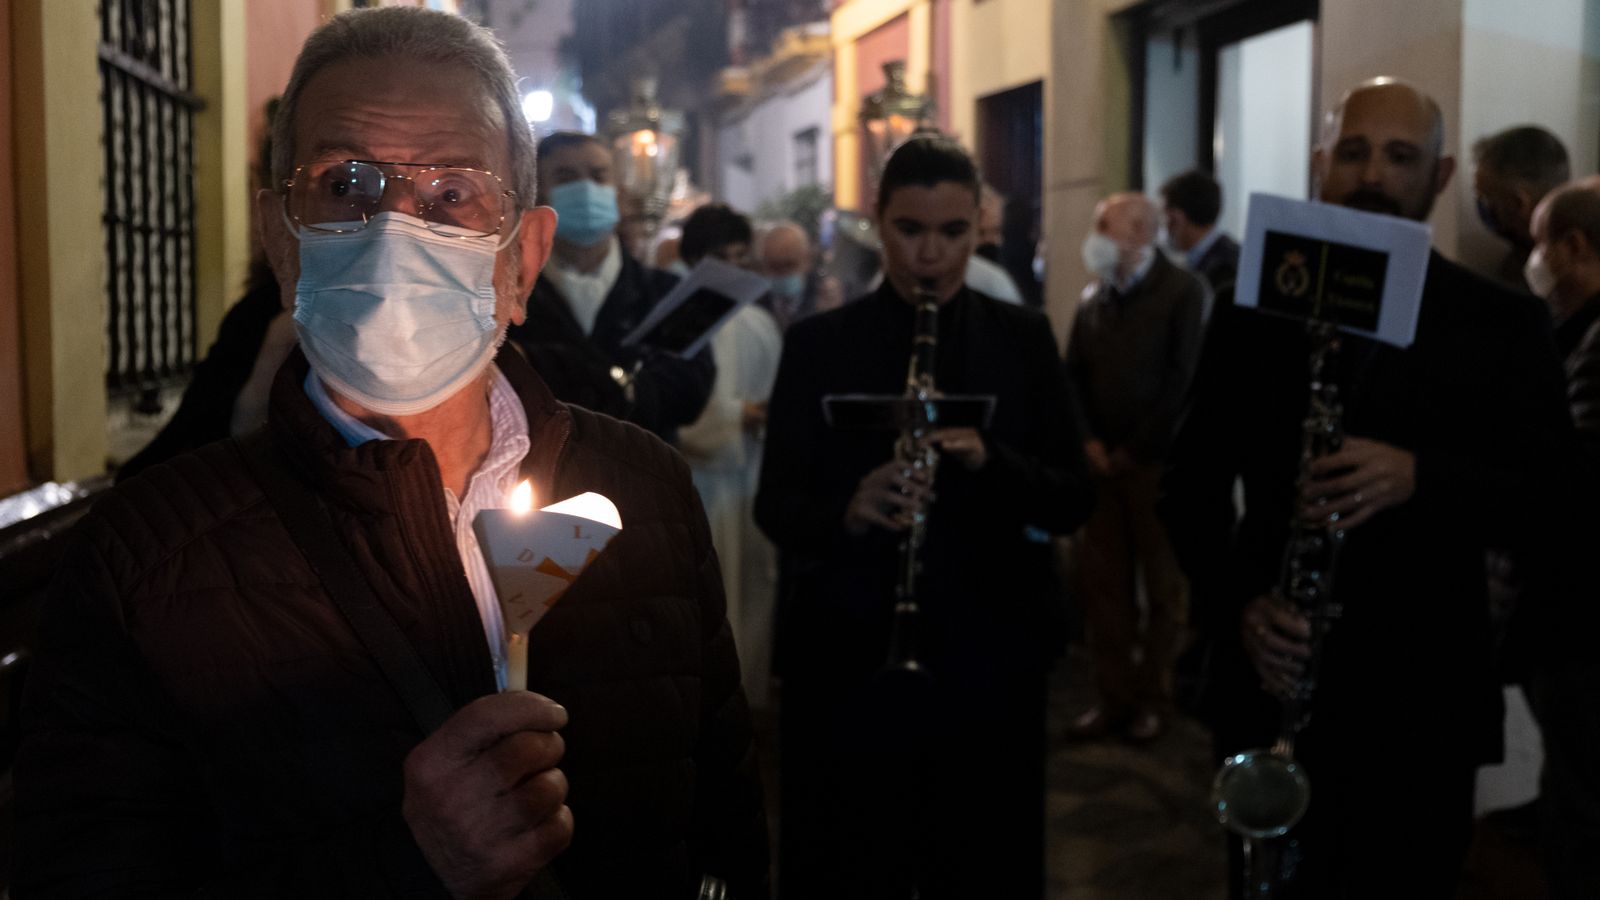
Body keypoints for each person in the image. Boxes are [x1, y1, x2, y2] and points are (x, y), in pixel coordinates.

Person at [15, 8, 768, 897]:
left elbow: (724, 827)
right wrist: (404, 868)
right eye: (345, 184)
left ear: (523, 260)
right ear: (279, 241)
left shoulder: (644, 493)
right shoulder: (143, 560)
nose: (395, 228)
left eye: (453, 192)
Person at [1166, 77, 1572, 897]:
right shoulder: (1252, 309)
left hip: (1421, 697)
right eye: (1353, 153)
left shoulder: (1500, 321)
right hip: (1274, 680)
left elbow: (1555, 501)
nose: (1373, 176)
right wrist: (1240, 603)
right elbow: (1189, 485)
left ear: (1443, 174)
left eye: (1400, 156)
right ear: (1321, 167)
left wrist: (1423, 476)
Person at [755, 135, 1093, 899]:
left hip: (989, 653)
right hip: (846, 653)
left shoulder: (1024, 339)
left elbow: (1074, 495)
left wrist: (991, 460)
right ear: (879, 222)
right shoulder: (817, 345)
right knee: (848, 859)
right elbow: (776, 504)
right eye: (910, 230)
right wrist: (850, 507)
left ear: (981, 227)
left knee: (983, 858)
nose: (930, 256)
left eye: (953, 233)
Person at [1065, 191, 1206, 743]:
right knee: (1104, 590)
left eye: (1107, 226)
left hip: (1156, 469)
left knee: (1164, 593)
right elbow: (1071, 375)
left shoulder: (1182, 292)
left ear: (1143, 233)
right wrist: (1088, 440)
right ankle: (1113, 698)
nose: (1096, 236)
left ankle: (1156, 699)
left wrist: (1135, 449)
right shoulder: (1094, 298)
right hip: (1102, 469)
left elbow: (1183, 380)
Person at [505, 131, 714, 443]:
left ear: (619, 191)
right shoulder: (509, 294)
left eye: (599, 176)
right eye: (566, 177)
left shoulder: (668, 292)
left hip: (648, 475)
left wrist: (545, 364)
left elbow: (688, 395)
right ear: (537, 195)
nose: (586, 188)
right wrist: (627, 382)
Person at [1519, 178, 1600, 899]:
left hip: (1584, 626)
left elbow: (1571, 485)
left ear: (1573, 247)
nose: (1532, 259)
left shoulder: (1596, 346)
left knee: (1581, 806)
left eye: (1539, 242)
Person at [675, 203, 784, 708]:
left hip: (751, 479)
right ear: (694, 259)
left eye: (743, 257)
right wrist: (740, 415)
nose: (735, 269)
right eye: (723, 257)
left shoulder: (760, 322)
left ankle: (750, 700)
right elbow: (678, 411)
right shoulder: (679, 317)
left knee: (752, 592)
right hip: (697, 481)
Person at [1472, 125, 1570, 291]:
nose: (1482, 207)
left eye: (1487, 200)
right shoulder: (1517, 261)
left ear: (1520, 203)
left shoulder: (1563, 274)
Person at [1160, 168, 1241, 302]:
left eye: (1165, 218)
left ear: (1177, 218)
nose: (1164, 228)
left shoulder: (1222, 269)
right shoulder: (1230, 254)